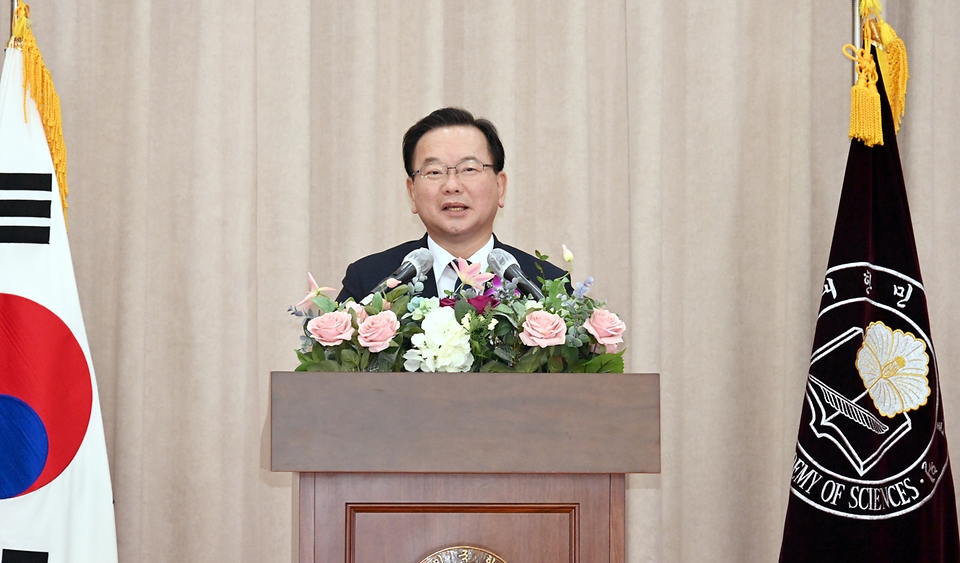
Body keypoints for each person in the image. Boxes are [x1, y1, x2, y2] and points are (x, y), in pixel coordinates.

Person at [336, 107, 565, 302]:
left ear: (500, 186)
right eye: (434, 171)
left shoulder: (546, 286)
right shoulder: (369, 281)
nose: (452, 185)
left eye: (469, 169)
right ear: (412, 192)